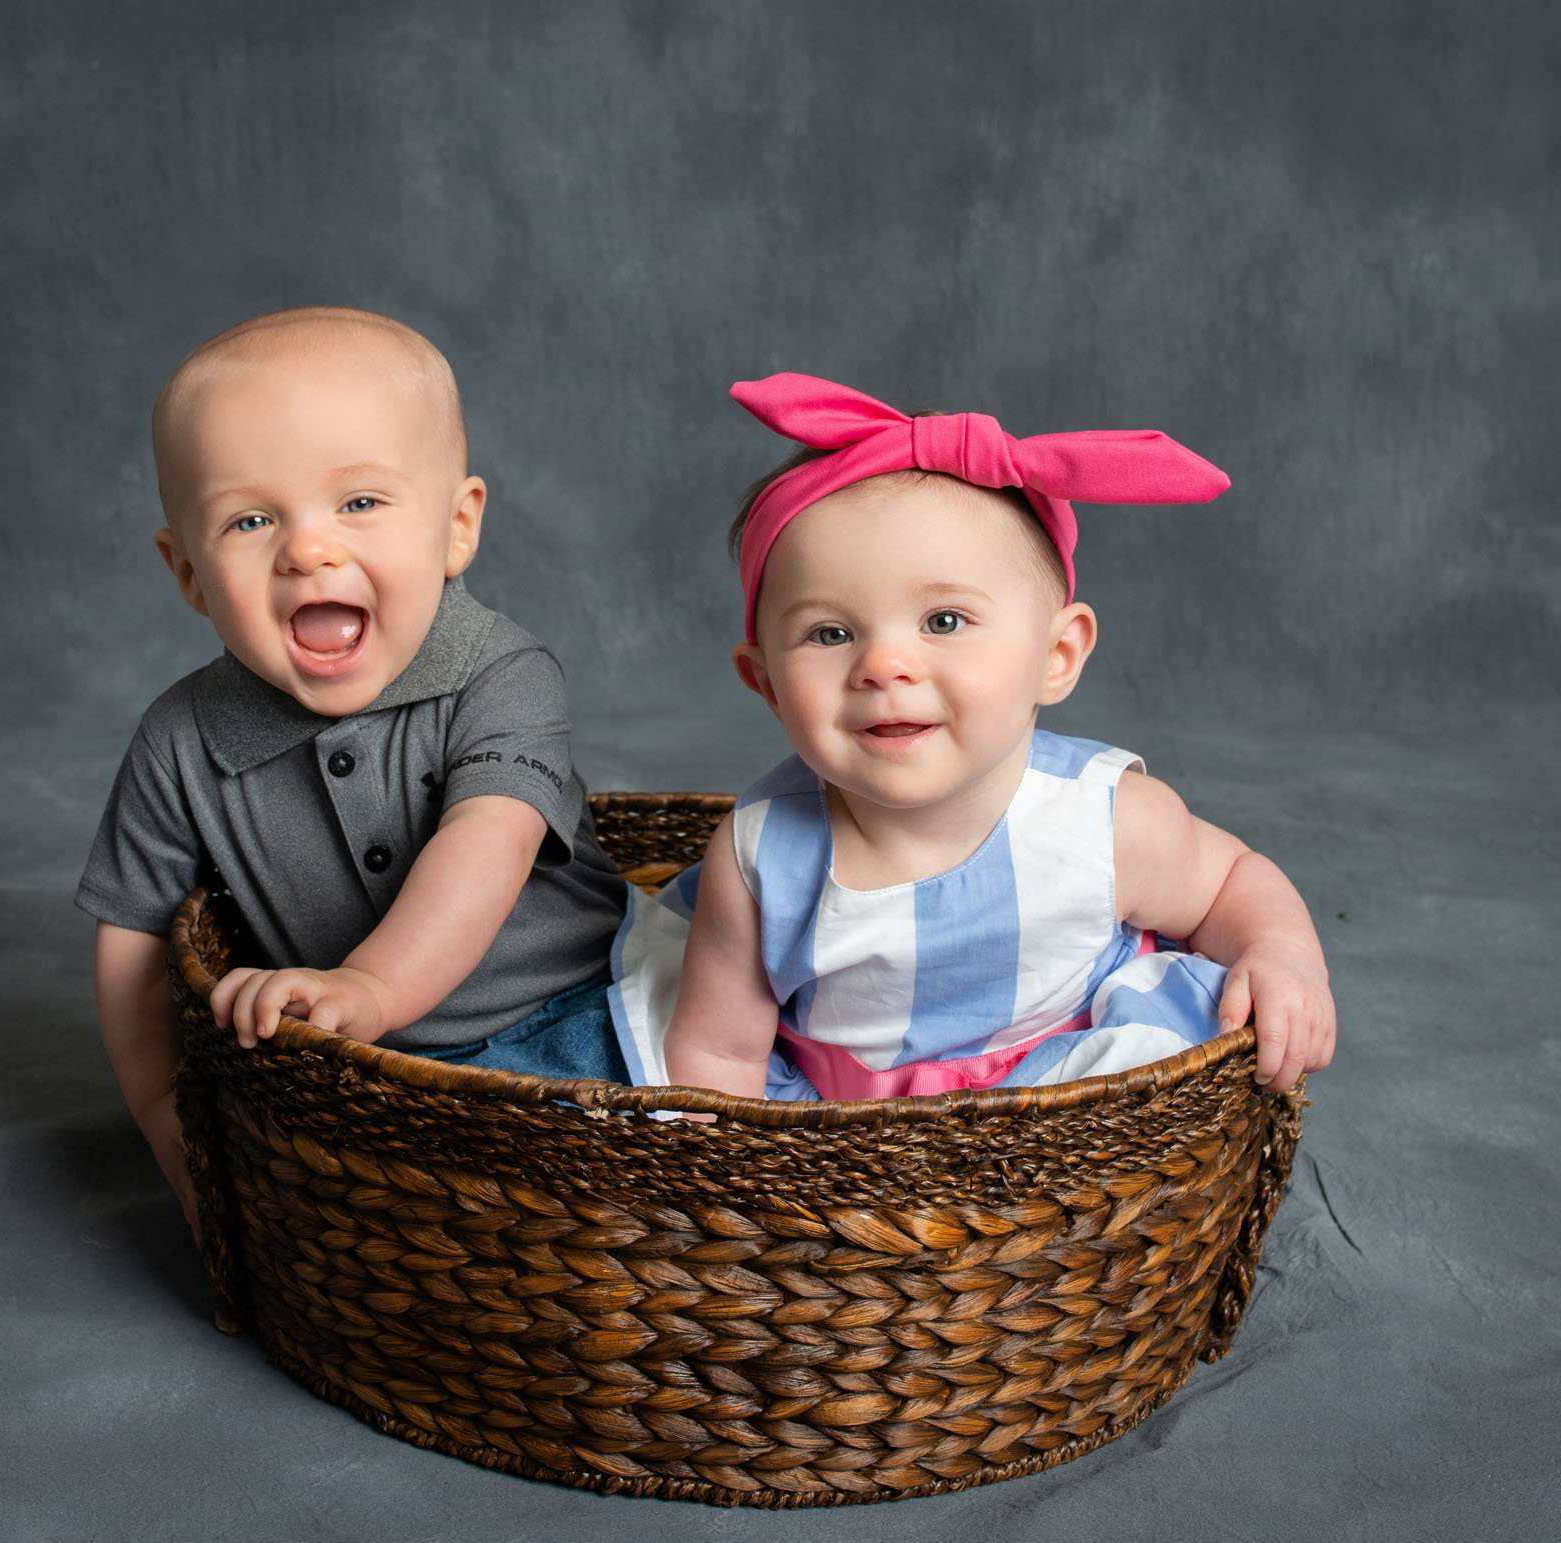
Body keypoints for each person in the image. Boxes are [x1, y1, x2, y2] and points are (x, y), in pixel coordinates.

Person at [608, 372, 1336, 1103]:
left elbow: (1231, 885)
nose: (885, 666)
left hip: (1071, 1080)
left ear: (1057, 656)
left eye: (944, 621)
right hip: (839, 1129)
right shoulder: (760, 860)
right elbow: (717, 1055)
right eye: (830, 632)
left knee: (1164, 1068)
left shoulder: (1103, 821)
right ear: (764, 682)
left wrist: (1282, 952)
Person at [78, 308, 629, 1236]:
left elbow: (486, 838)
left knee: (689, 1122)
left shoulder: (500, 672)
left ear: (456, 528)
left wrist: (371, 986)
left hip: (590, 1006)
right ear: (190, 576)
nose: (308, 550)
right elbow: (131, 946)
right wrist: (164, 1119)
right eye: (251, 520)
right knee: (360, 1225)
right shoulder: (182, 738)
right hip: (366, 1074)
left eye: (360, 503)